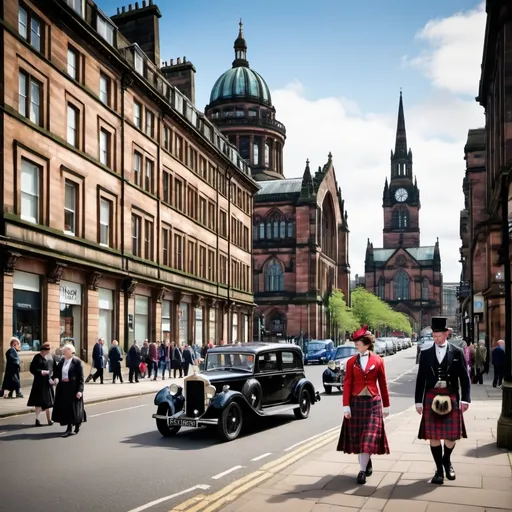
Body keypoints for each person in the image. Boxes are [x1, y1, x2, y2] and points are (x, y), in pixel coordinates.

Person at [415, 316, 470, 485]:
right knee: (433, 436)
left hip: (451, 395)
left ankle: (447, 460)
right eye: (434, 336)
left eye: (439, 335)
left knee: (451, 437)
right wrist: (418, 401)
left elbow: (464, 378)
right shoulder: (425, 354)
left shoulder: (457, 352)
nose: (436, 338)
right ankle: (439, 469)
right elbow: (421, 379)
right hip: (431, 395)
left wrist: (466, 400)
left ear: (447, 334)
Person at [337, 325, 390, 485]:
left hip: (373, 403)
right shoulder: (351, 362)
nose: (356, 345)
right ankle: (364, 466)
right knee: (361, 439)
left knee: (368, 438)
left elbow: (383, 383)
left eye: (358, 342)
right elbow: (347, 384)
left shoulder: (378, 360)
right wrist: (346, 406)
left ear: (366, 343)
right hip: (356, 403)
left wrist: (386, 406)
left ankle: (362, 470)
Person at [52, 344, 86, 437]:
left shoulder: (77, 362)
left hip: (73, 388)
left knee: (73, 409)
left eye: (65, 351)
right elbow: (57, 373)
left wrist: (80, 390)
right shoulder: (62, 361)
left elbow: (81, 378)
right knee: (66, 408)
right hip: (63, 388)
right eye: (63, 351)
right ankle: (69, 427)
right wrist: (56, 379)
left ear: (71, 351)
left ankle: (75, 425)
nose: (64, 352)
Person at [27, 342, 55, 426]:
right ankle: (37, 419)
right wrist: (41, 372)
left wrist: (52, 378)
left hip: (47, 382)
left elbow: (53, 368)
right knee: (38, 402)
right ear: (42, 350)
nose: (47, 352)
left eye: (48, 350)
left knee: (48, 402)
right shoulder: (37, 357)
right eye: (46, 350)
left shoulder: (49, 358)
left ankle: (49, 420)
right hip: (39, 383)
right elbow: (32, 369)